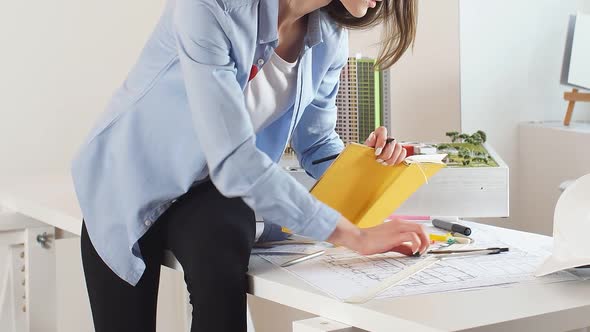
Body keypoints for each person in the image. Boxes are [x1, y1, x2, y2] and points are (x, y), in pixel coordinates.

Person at [71, 0, 427, 331]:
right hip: (129, 182)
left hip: (213, 189)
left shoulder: (329, 37)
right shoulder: (209, 7)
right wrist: (355, 237)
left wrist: (366, 164)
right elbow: (233, 156)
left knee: (221, 269)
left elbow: (316, 143)